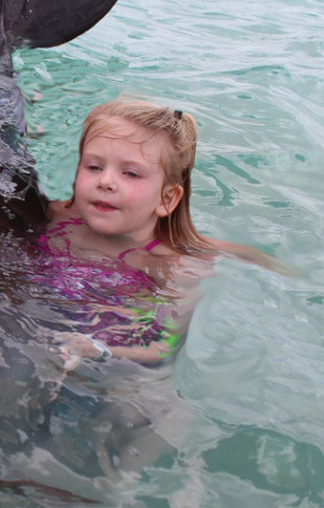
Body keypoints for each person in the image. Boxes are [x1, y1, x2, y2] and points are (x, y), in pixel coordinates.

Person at [33, 98, 283, 366]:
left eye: (130, 173)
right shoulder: (56, 216)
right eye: (94, 167)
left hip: (114, 358)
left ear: (167, 199)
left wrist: (99, 349)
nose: (105, 181)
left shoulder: (176, 268)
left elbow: (162, 349)